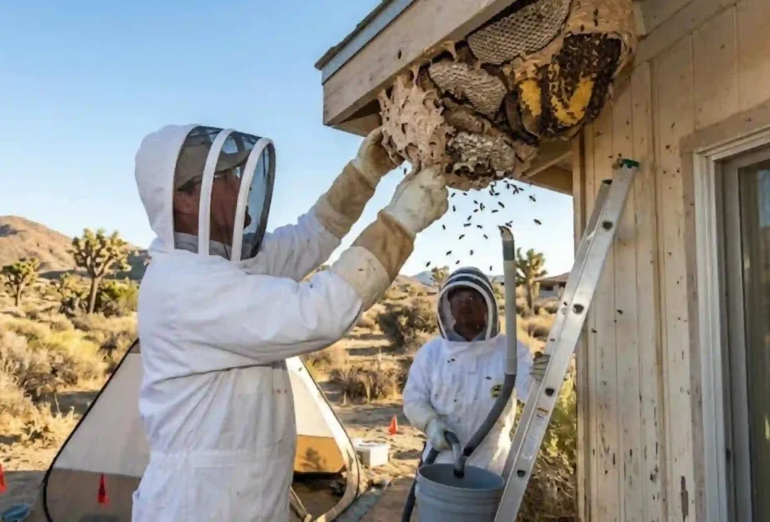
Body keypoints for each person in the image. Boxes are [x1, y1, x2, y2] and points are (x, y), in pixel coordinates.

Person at [131, 124, 449, 521]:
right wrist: (401, 223)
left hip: (245, 499)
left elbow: (309, 236)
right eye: (226, 177)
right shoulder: (184, 285)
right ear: (184, 199)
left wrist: (364, 173)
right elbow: (319, 312)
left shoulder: (225, 263)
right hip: (200, 506)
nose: (240, 185)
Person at [402, 267, 551, 475]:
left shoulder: (512, 351)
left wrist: (544, 379)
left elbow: (531, 396)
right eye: (458, 298)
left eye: (472, 297)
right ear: (448, 306)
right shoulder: (431, 352)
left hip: (493, 467)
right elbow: (413, 398)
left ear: (486, 304)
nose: (465, 304)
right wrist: (431, 424)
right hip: (440, 464)